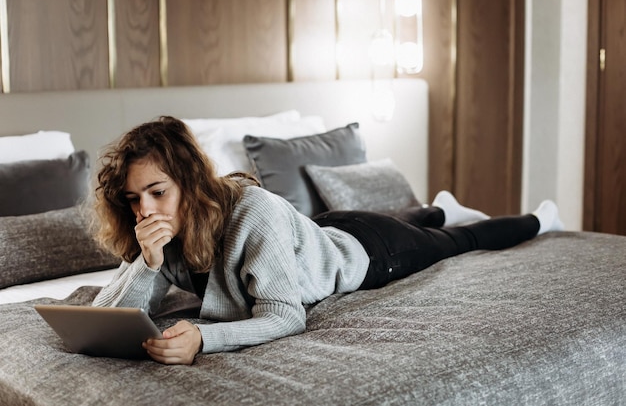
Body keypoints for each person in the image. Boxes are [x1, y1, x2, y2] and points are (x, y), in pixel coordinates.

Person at [92, 116, 564, 365]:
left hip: (369, 251)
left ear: (191, 183)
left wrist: (203, 338)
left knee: (458, 238)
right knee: (413, 218)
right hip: (325, 227)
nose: (144, 210)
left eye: (157, 192)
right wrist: (147, 264)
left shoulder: (254, 212)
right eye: (133, 199)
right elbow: (104, 322)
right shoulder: (157, 231)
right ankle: (436, 205)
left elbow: (284, 315)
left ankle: (540, 218)